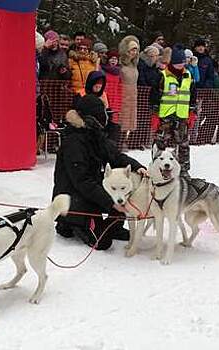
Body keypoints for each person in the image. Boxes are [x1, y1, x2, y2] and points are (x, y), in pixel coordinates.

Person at [53, 94, 146, 249]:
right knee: (102, 243)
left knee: (121, 197)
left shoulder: (94, 135)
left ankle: (112, 227)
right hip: (72, 199)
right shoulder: (74, 142)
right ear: (91, 117)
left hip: (90, 194)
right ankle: (70, 223)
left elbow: (116, 156)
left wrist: (138, 167)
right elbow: (82, 181)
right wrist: (110, 203)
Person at [151, 45, 197, 178]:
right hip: (165, 116)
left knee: (183, 143)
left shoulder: (189, 76)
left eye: (182, 62)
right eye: (178, 62)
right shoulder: (163, 75)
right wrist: (155, 113)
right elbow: (154, 95)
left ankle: (183, 170)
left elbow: (193, 95)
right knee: (160, 143)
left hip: (182, 116)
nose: (180, 65)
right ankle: (156, 168)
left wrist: (192, 112)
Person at [118, 35, 140, 146]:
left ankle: (124, 140)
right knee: (121, 119)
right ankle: (119, 142)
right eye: (132, 49)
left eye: (136, 50)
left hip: (132, 95)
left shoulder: (134, 64)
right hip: (122, 94)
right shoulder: (121, 63)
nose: (134, 52)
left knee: (129, 120)